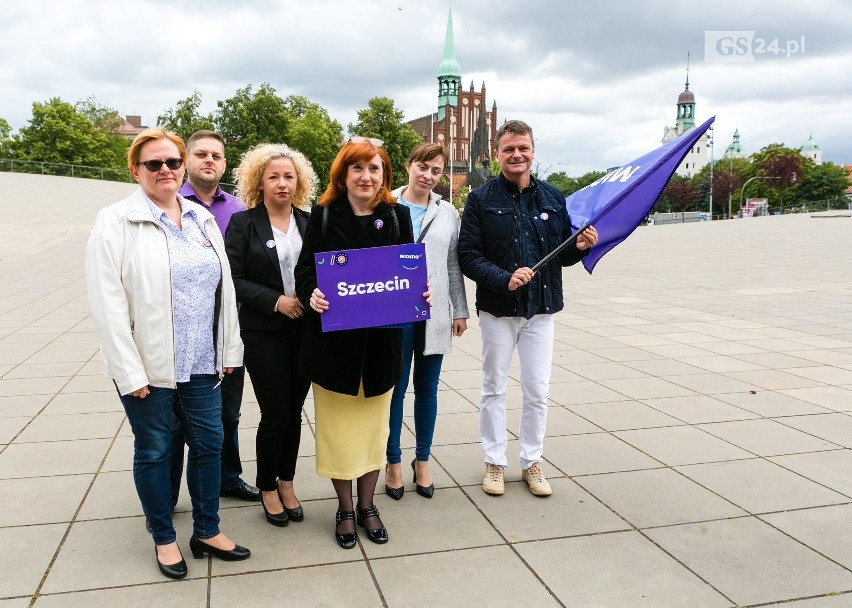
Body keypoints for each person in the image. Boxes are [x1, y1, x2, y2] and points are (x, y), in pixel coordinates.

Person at [86, 128, 250, 580]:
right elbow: (107, 301)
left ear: (183, 167)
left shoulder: (200, 219)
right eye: (154, 164)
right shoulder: (116, 220)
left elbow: (225, 287)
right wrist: (127, 370)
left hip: (202, 362)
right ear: (135, 170)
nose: (165, 171)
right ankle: (163, 538)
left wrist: (229, 346)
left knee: (210, 444)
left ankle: (207, 530)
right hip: (148, 367)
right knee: (156, 450)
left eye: (173, 163)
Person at [294, 136, 426, 549]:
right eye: (357, 168)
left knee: (373, 431)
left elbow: (410, 271)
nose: (366, 176)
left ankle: (368, 506)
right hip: (335, 349)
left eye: (374, 168)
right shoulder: (325, 215)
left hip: (382, 347)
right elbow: (304, 272)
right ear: (343, 175)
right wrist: (310, 294)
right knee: (338, 433)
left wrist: (422, 292)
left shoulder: (399, 215)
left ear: (384, 175)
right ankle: (345, 509)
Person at [457, 120, 598, 498]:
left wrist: (580, 246)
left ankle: (532, 461)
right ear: (498, 154)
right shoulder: (481, 199)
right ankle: (495, 462)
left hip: (541, 310)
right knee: (494, 388)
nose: (516, 155)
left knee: (537, 389)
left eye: (523, 148)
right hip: (498, 311)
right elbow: (468, 256)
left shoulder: (552, 196)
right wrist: (503, 278)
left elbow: (562, 254)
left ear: (533, 151)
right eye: (509, 149)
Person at [225, 144, 316, 527]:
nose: (282, 183)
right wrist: (275, 301)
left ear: (299, 183)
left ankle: (287, 481)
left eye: (289, 176)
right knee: (275, 413)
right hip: (264, 333)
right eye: (274, 176)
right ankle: (266, 486)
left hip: (307, 331)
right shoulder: (243, 224)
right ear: (258, 181)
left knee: (294, 412)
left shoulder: (311, 223)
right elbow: (233, 279)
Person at [170, 130, 259, 504]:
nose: (209, 160)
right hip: (181, 328)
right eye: (201, 154)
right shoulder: (169, 203)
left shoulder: (238, 210)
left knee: (229, 413)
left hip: (229, 328)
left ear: (224, 163)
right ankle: (168, 490)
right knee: (173, 421)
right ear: (186, 160)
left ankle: (228, 477)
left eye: (216, 156)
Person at [385, 143, 469, 500]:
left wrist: (460, 308)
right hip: (393, 313)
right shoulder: (385, 204)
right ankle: (392, 462)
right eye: (423, 167)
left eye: (436, 171)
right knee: (395, 389)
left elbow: (453, 263)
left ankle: (422, 460)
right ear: (408, 165)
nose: (428, 176)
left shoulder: (446, 211)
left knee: (428, 390)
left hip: (433, 314)